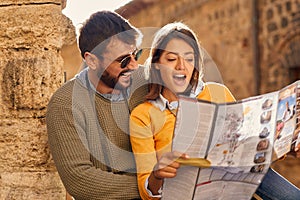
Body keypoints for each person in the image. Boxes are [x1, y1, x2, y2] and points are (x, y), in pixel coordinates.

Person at [129, 22, 300, 200]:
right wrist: (157, 174)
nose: (182, 66)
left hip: (236, 184)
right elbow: (146, 192)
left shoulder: (217, 92)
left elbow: (249, 145)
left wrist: (283, 146)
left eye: (189, 59)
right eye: (172, 59)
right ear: (156, 64)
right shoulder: (143, 116)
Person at [46, 11, 147, 199]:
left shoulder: (146, 81)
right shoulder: (65, 104)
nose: (133, 65)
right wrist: (151, 186)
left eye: (135, 55)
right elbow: (80, 180)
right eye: (123, 60)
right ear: (92, 60)